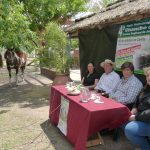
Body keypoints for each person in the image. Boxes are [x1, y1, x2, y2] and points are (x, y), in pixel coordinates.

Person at [124, 66, 150, 150]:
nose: (149, 77)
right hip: (142, 117)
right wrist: (134, 108)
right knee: (122, 121)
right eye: (147, 75)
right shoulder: (146, 88)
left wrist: (135, 117)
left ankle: (146, 147)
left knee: (130, 129)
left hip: (147, 119)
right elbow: (137, 99)